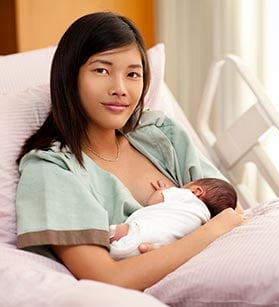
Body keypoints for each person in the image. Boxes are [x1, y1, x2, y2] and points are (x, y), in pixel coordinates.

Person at [15, 12, 245, 291]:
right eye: (102, 70)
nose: (120, 89)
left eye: (133, 74)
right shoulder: (52, 170)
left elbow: (232, 210)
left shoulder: (160, 133)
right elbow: (109, 278)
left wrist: (186, 244)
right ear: (69, 76)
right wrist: (209, 232)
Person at [109, 178, 237, 259]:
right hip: (155, 249)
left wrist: (163, 191)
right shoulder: (202, 225)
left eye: (187, 185)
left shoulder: (186, 195)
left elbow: (153, 201)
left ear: (197, 191)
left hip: (140, 231)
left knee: (109, 234)